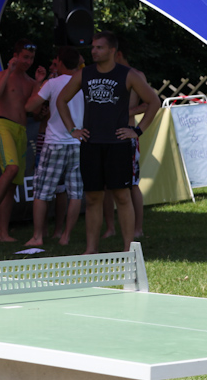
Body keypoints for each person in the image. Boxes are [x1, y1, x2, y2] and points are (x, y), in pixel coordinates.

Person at [56, 31, 160, 254]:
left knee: (122, 196)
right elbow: (61, 100)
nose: (94, 51)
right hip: (91, 143)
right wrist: (72, 129)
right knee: (93, 198)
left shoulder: (128, 74)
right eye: (93, 47)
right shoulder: (84, 74)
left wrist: (138, 131)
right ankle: (91, 249)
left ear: (113, 50)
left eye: (99, 47)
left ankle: (128, 250)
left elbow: (154, 101)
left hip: (118, 144)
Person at [0, 41, 47, 242]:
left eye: (31, 58)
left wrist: (39, 84)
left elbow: (34, 112)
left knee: (12, 184)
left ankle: (3, 232)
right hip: (3, 125)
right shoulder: (3, 75)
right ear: (16, 56)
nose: (28, 61)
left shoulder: (30, 82)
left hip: (22, 130)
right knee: (11, 169)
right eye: (25, 57)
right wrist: (9, 71)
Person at [23, 48, 83, 246]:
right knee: (75, 192)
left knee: (42, 192)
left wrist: (41, 84)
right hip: (77, 143)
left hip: (54, 142)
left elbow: (29, 106)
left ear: (60, 63)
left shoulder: (53, 83)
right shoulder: (84, 83)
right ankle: (65, 236)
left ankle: (37, 237)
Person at [102, 42, 150, 240]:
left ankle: (138, 228)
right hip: (106, 135)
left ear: (118, 53)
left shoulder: (136, 75)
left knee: (132, 183)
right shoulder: (107, 75)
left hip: (127, 134)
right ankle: (110, 227)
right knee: (106, 184)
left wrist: (128, 114)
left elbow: (149, 103)